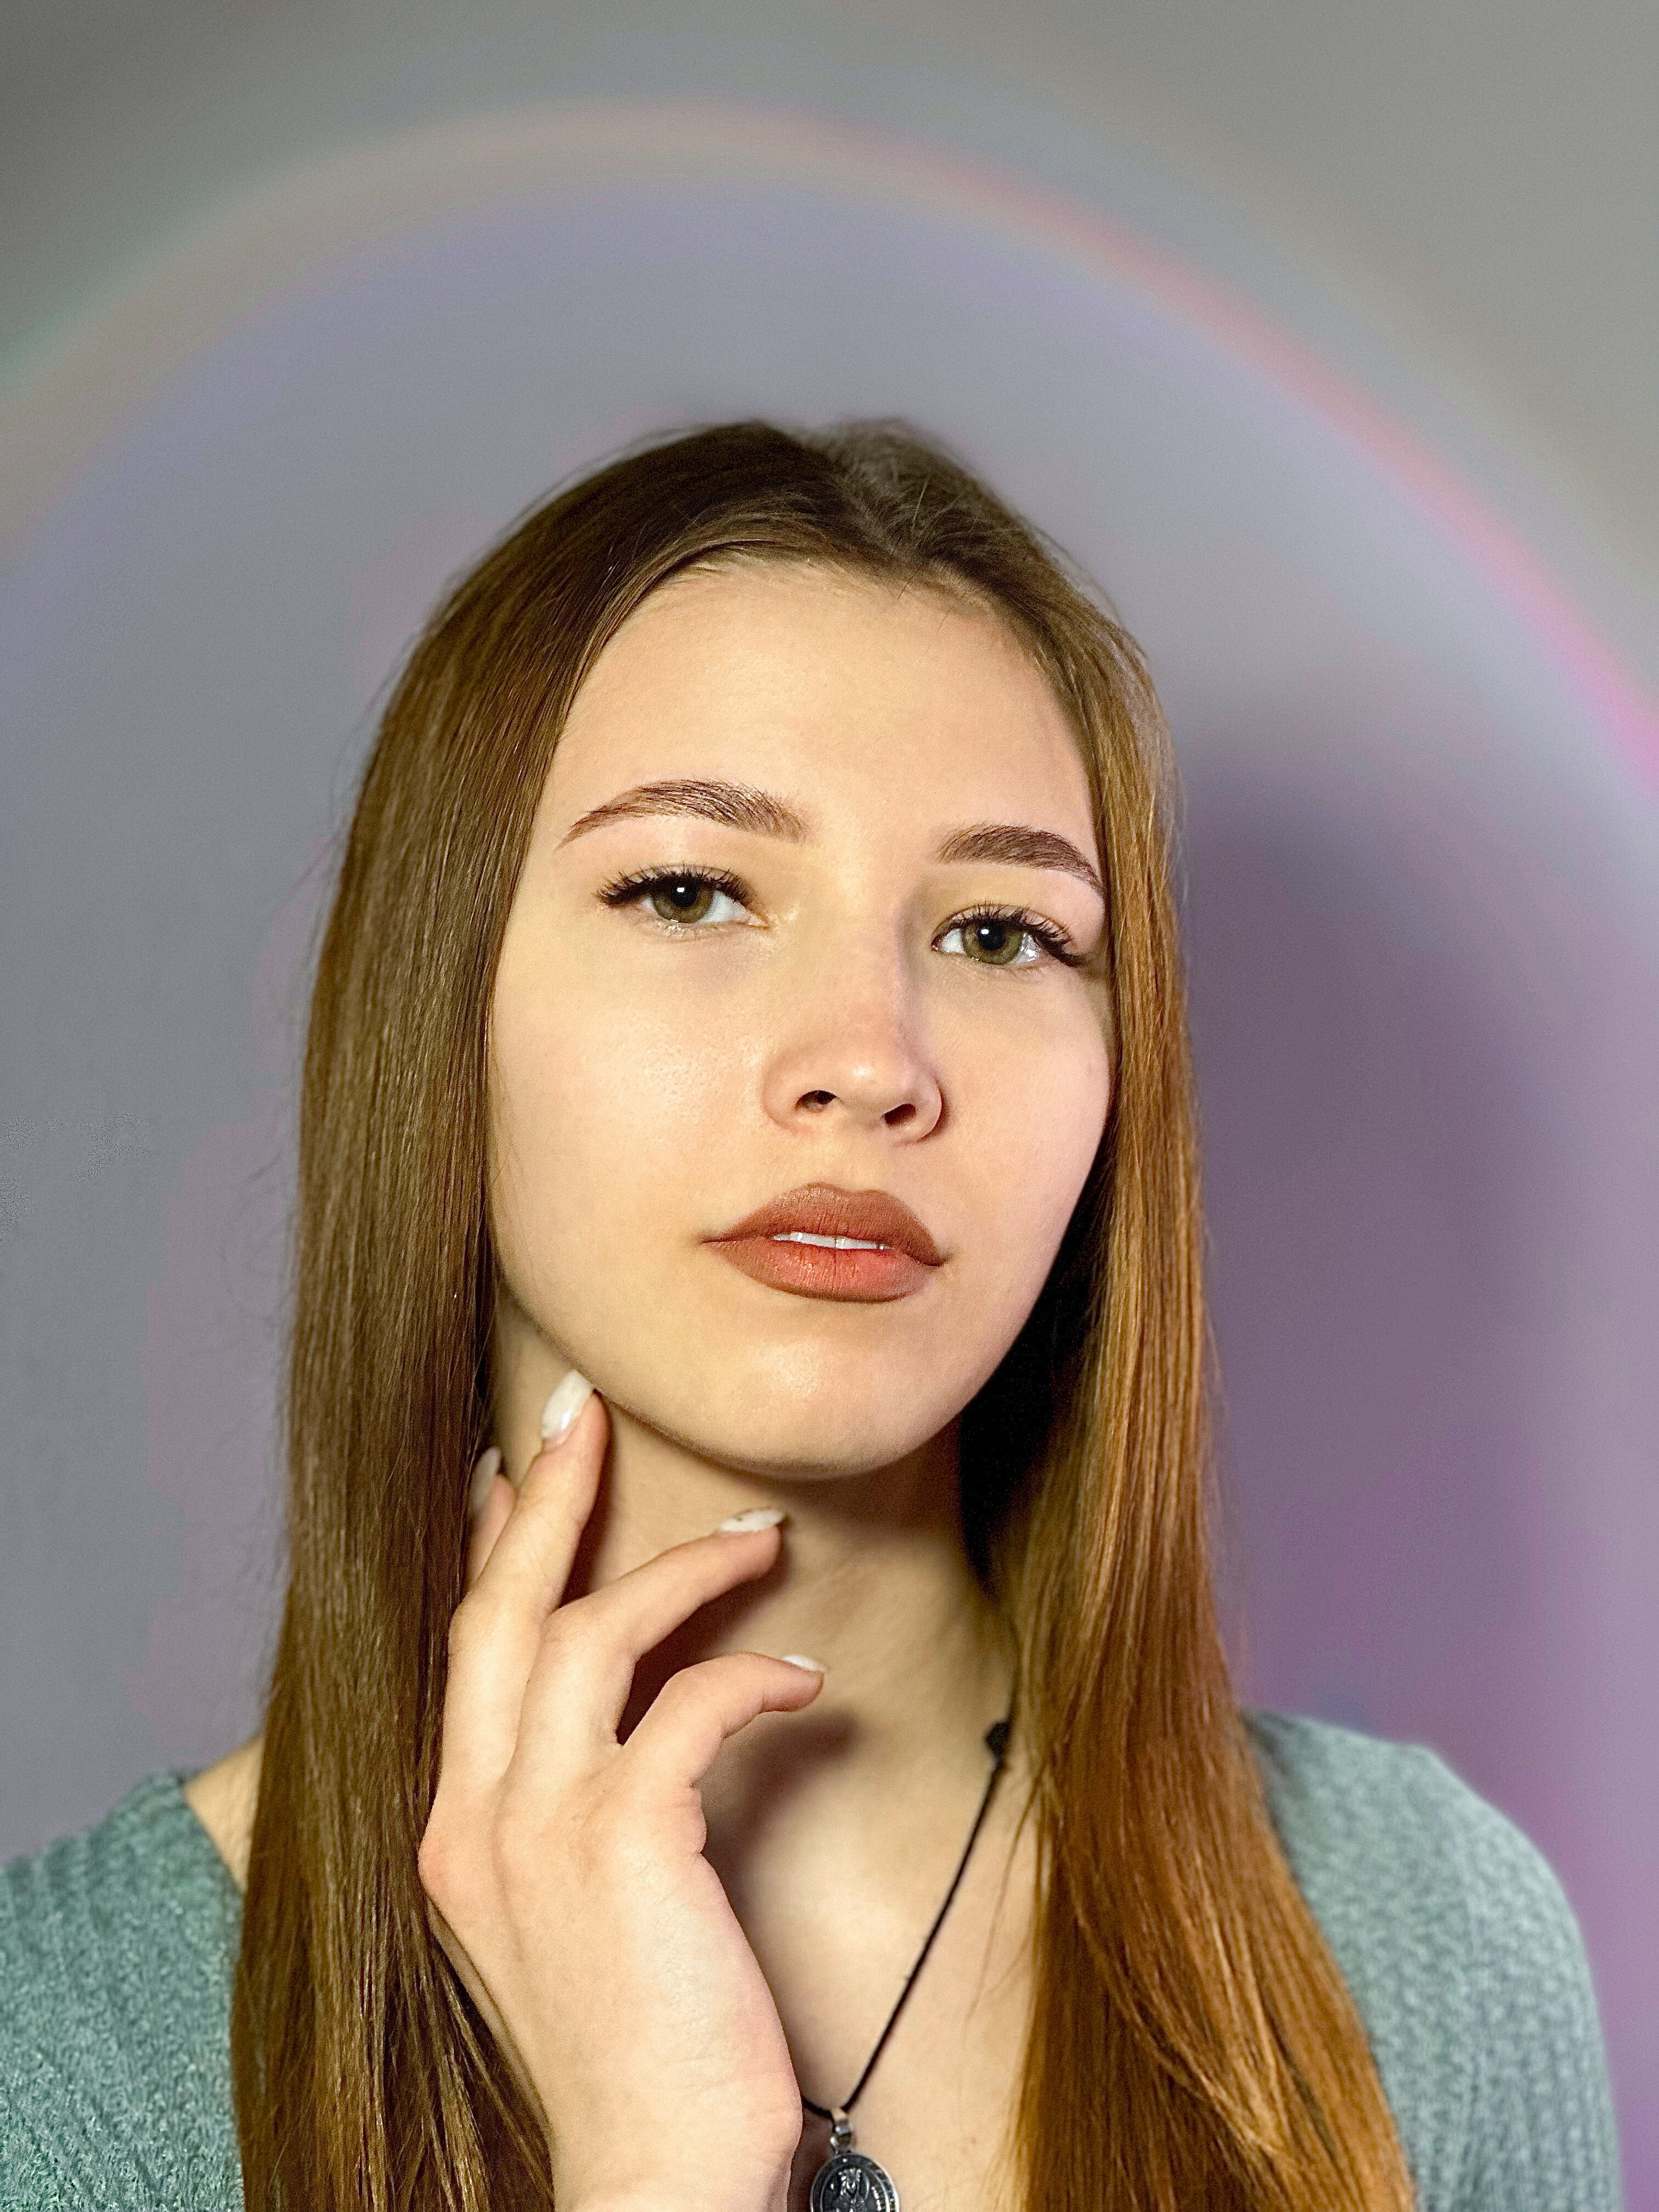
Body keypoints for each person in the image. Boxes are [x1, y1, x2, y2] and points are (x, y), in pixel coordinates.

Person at [0, 422, 1622, 2212]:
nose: (868, 1059)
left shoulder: (1424, 1946)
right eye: (689, 891)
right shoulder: (59, 2071)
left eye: (1000, 934)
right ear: (439, 1006)